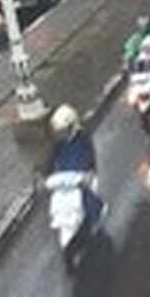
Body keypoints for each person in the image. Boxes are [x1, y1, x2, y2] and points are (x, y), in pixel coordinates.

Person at [44, 105, 106, 255]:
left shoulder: (83, 140)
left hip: (82, 178)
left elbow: (89, 160)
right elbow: (50, 163)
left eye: (64, 130)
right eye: (60, 131)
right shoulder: (58, 145)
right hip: (65, 181)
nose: (62, 134)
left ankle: (96, 213)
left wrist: (87, 174)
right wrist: (46, 174)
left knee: (88, 200)